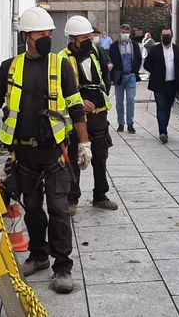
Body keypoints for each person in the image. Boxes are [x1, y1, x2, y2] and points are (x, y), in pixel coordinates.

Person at [0, 7, 91, 294]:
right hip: (23, 154)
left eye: (49, 32)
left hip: (54, 152)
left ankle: (63, 267)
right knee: (33, 209)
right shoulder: (10, 67)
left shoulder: (61, 66)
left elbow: (75, 105)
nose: (47, 37)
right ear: (26, 36)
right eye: (41, 33)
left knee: (59, 210)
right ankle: (38, 256)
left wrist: (84, 143)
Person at [61, 16, 119, 215]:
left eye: (90, 36)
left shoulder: (97, 52)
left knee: (100, 156)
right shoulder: (61, 59)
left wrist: (100, 98)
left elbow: (105, 78)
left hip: (99, 115)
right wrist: (79, 102)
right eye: (85, 37)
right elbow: (58, 90)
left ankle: (100, 196)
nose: (90, 40)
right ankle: (71, 198)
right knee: (74, 157)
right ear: (73, 38)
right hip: (77, 118)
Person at [143, 28, 179, 143]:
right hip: (159, 84)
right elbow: (146, 64)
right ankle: (162, 132)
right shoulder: (154, 50)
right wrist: (156, 72)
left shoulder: (177, 50)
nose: (166, 37)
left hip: (172, 84)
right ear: (161, 36)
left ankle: (164, 127)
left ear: (172, 36)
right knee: (161, 107)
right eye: (164, 35)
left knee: (168, 107)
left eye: (168, 35)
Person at [109, 24, 143, 134]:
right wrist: (113, 75)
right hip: (119, 76)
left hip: (131, 76)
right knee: (119, 101)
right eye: (123, 32)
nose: (125, 34)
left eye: (127, 32)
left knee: (130, 99)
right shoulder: (114, 46)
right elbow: (110, 60)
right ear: (119, 33)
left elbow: (138, 58)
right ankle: (121, 123)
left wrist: (135, 70)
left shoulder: (134, 45)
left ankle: (130, 123)